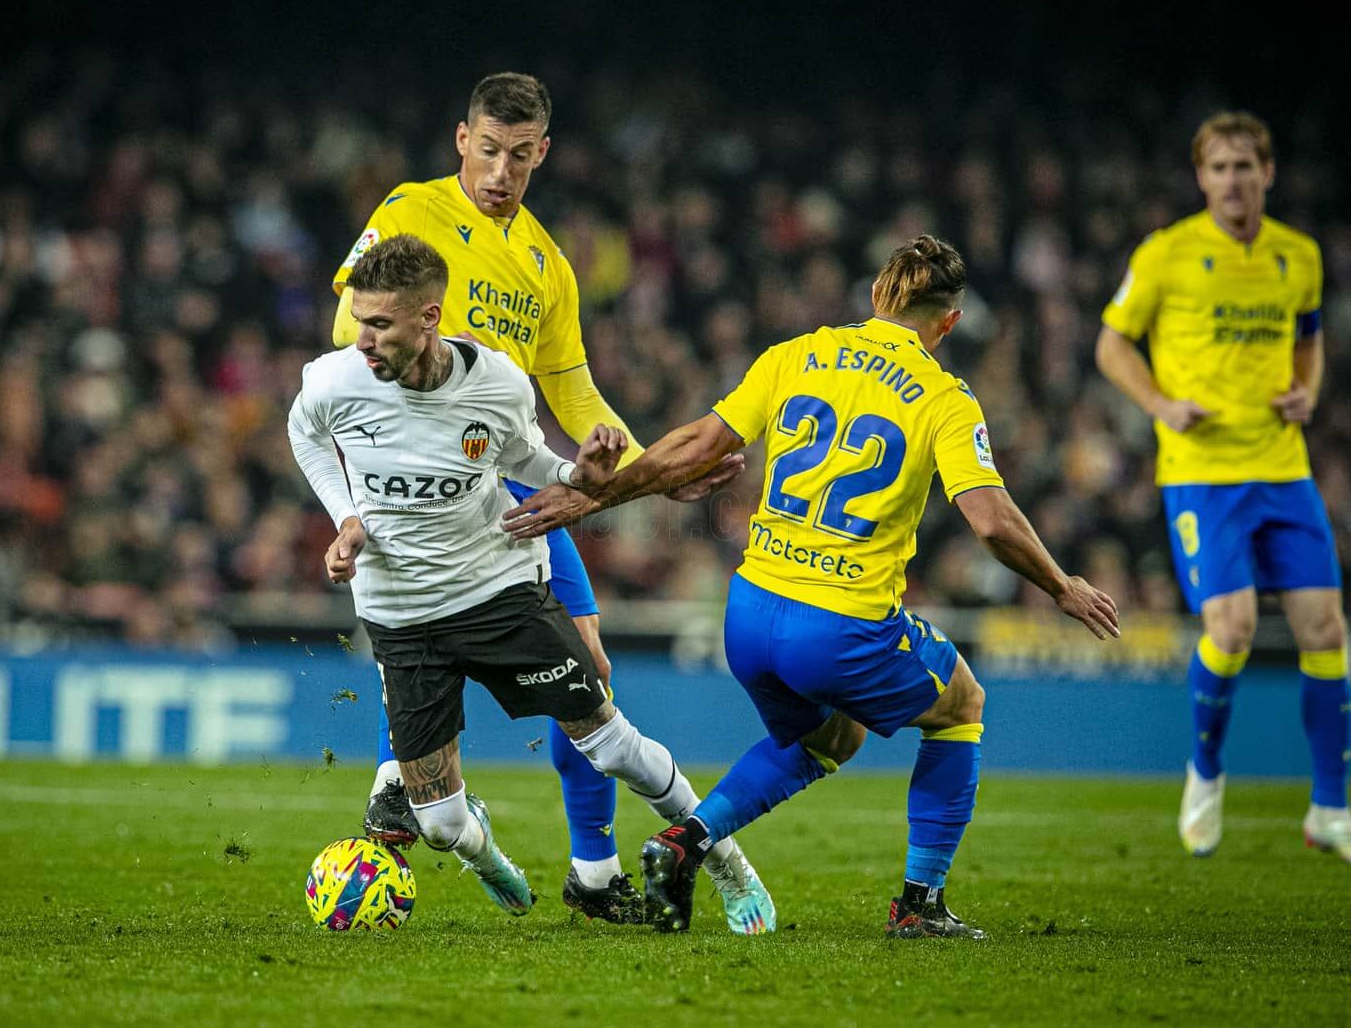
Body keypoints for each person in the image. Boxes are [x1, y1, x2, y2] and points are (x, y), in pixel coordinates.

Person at [505, 236, 1121, 937]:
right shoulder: (946, 397)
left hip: (751, 609)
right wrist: (1061, 584)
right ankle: (919, 906)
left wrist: (589, 499)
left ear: (874, 297)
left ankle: (685, 841)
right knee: (961, 704)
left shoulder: (794, 355)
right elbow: (989, 520)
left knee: (832, 735)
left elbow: (695, 445)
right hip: (839, 623)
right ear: (947, 323)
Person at [326, 72, 754, 925]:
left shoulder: (546, 264)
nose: (500, 171)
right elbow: (350, 326)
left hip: (512, 487)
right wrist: (458, 362)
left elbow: (577, 393)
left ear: (542, 154)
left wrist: (652, 468)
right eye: (488, 151)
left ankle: (589, 874)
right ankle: (400, 789)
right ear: (462, 141)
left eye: (519, 157)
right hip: (429, 478)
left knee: (589, 666)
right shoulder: (411, 210)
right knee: (428, 634)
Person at [1095, 111, 1350, 862]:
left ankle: (1331, 807)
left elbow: (1308, 341)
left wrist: (1310, 389)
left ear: (1268, 173)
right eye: (1219, 168)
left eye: (1246, 166)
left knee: (1329, 633)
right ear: (1201, 178)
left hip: (1283, 468)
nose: (1233, 180)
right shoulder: (1168, 254)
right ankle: (1204, 771)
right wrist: (1160, 406)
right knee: (1232, 632)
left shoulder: (1297, 256)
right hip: (1203, 474)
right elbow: (1112, 343)